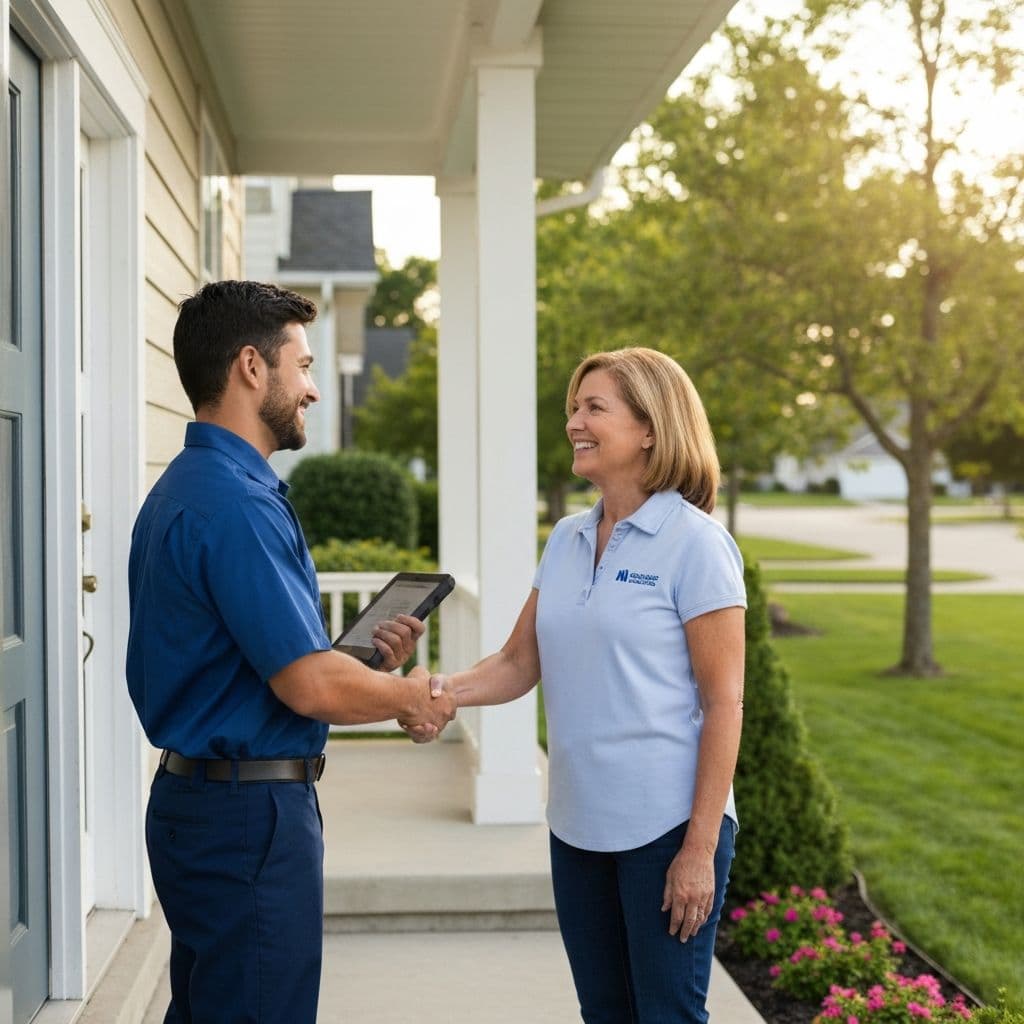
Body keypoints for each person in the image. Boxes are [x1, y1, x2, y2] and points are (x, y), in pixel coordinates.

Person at [126, 280, 456, 1024]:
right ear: (252, 366)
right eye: (302, 366)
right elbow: (308, 688)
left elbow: (254, 665)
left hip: (204, 806)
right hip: (247, 818)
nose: (312, 388)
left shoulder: (190, 487)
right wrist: (410, 696)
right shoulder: (236, 504)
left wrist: (361, 666)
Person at [426, 347, 746, 1024]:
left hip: (665, 828)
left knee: (666, 1016)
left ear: (650, 428)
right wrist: (438, 692)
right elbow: (518, 661)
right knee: (604, 1014)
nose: (574, 421)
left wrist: (699, 848)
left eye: (594, 407)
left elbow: (724, 703)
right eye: (574, 407)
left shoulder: (696, 544)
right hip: (576, 827)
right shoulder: (568, 538)